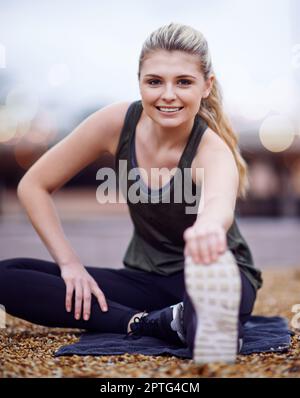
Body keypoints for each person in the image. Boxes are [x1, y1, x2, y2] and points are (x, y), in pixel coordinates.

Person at [0, 22, 262, 364]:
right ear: (139, 81)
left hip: (213, 276)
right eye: (155, 81)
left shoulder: (211, 151)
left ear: (206, 86)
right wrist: (70, 264)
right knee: (8, 275)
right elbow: (33, 185)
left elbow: (217, 204)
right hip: (147, 281)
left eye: (183, 82)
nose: (168, 94)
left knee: (205, 325)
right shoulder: (116, 123)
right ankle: (148, 323)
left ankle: (189, 321)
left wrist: (207, 228)